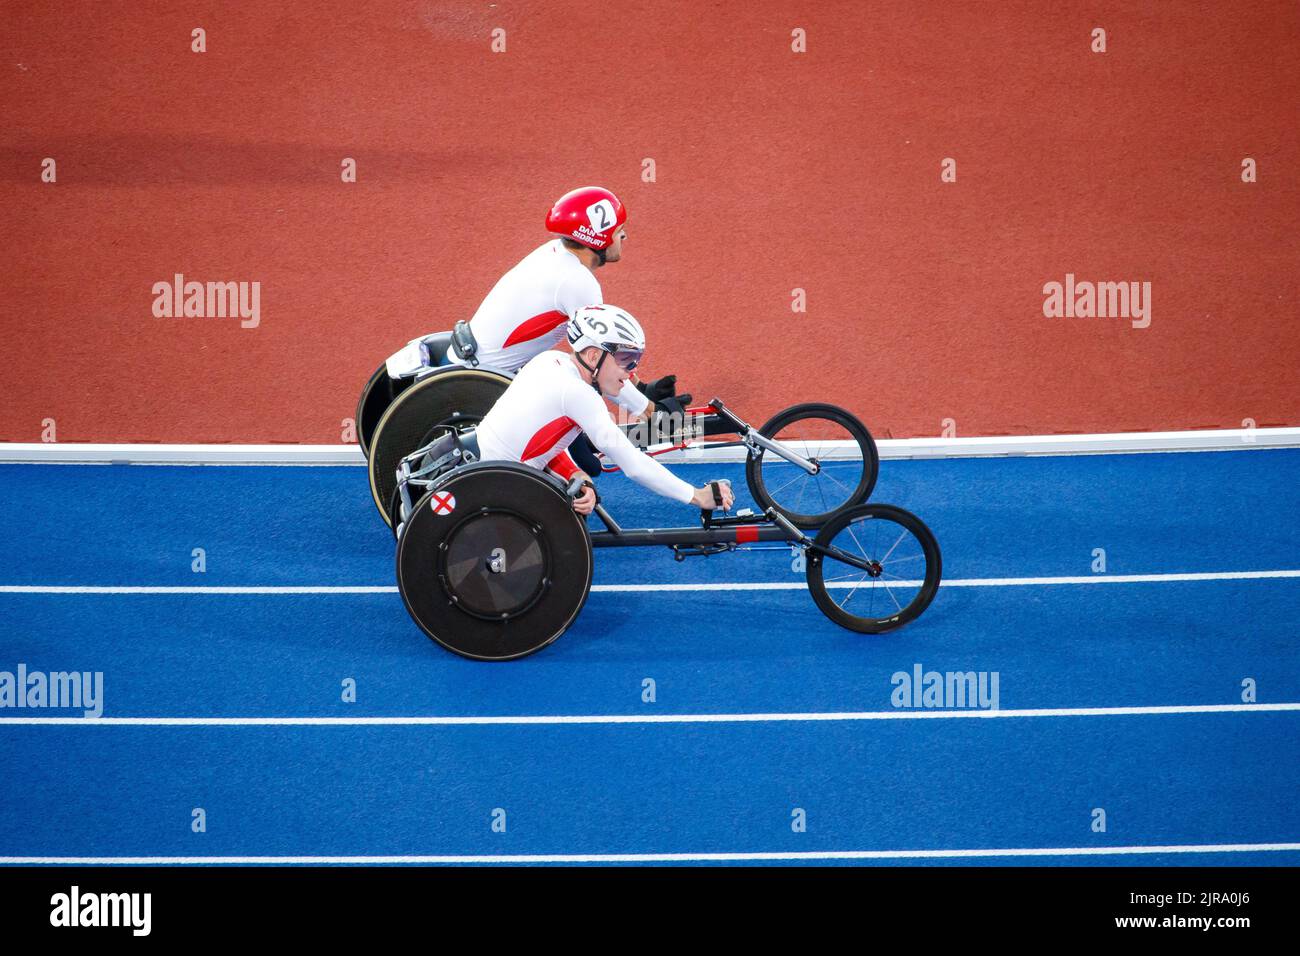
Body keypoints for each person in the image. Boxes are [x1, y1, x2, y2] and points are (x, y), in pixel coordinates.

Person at [470, 304, 733, 515]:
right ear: (594, 356)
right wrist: (697, 496)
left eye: (636, 361)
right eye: (626, 360)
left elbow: (531, 442)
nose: (632, 372)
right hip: (496, 490)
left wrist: (575, 473)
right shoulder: (580, 394)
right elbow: (635, 466)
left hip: (477, 465)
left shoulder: (550, 360)